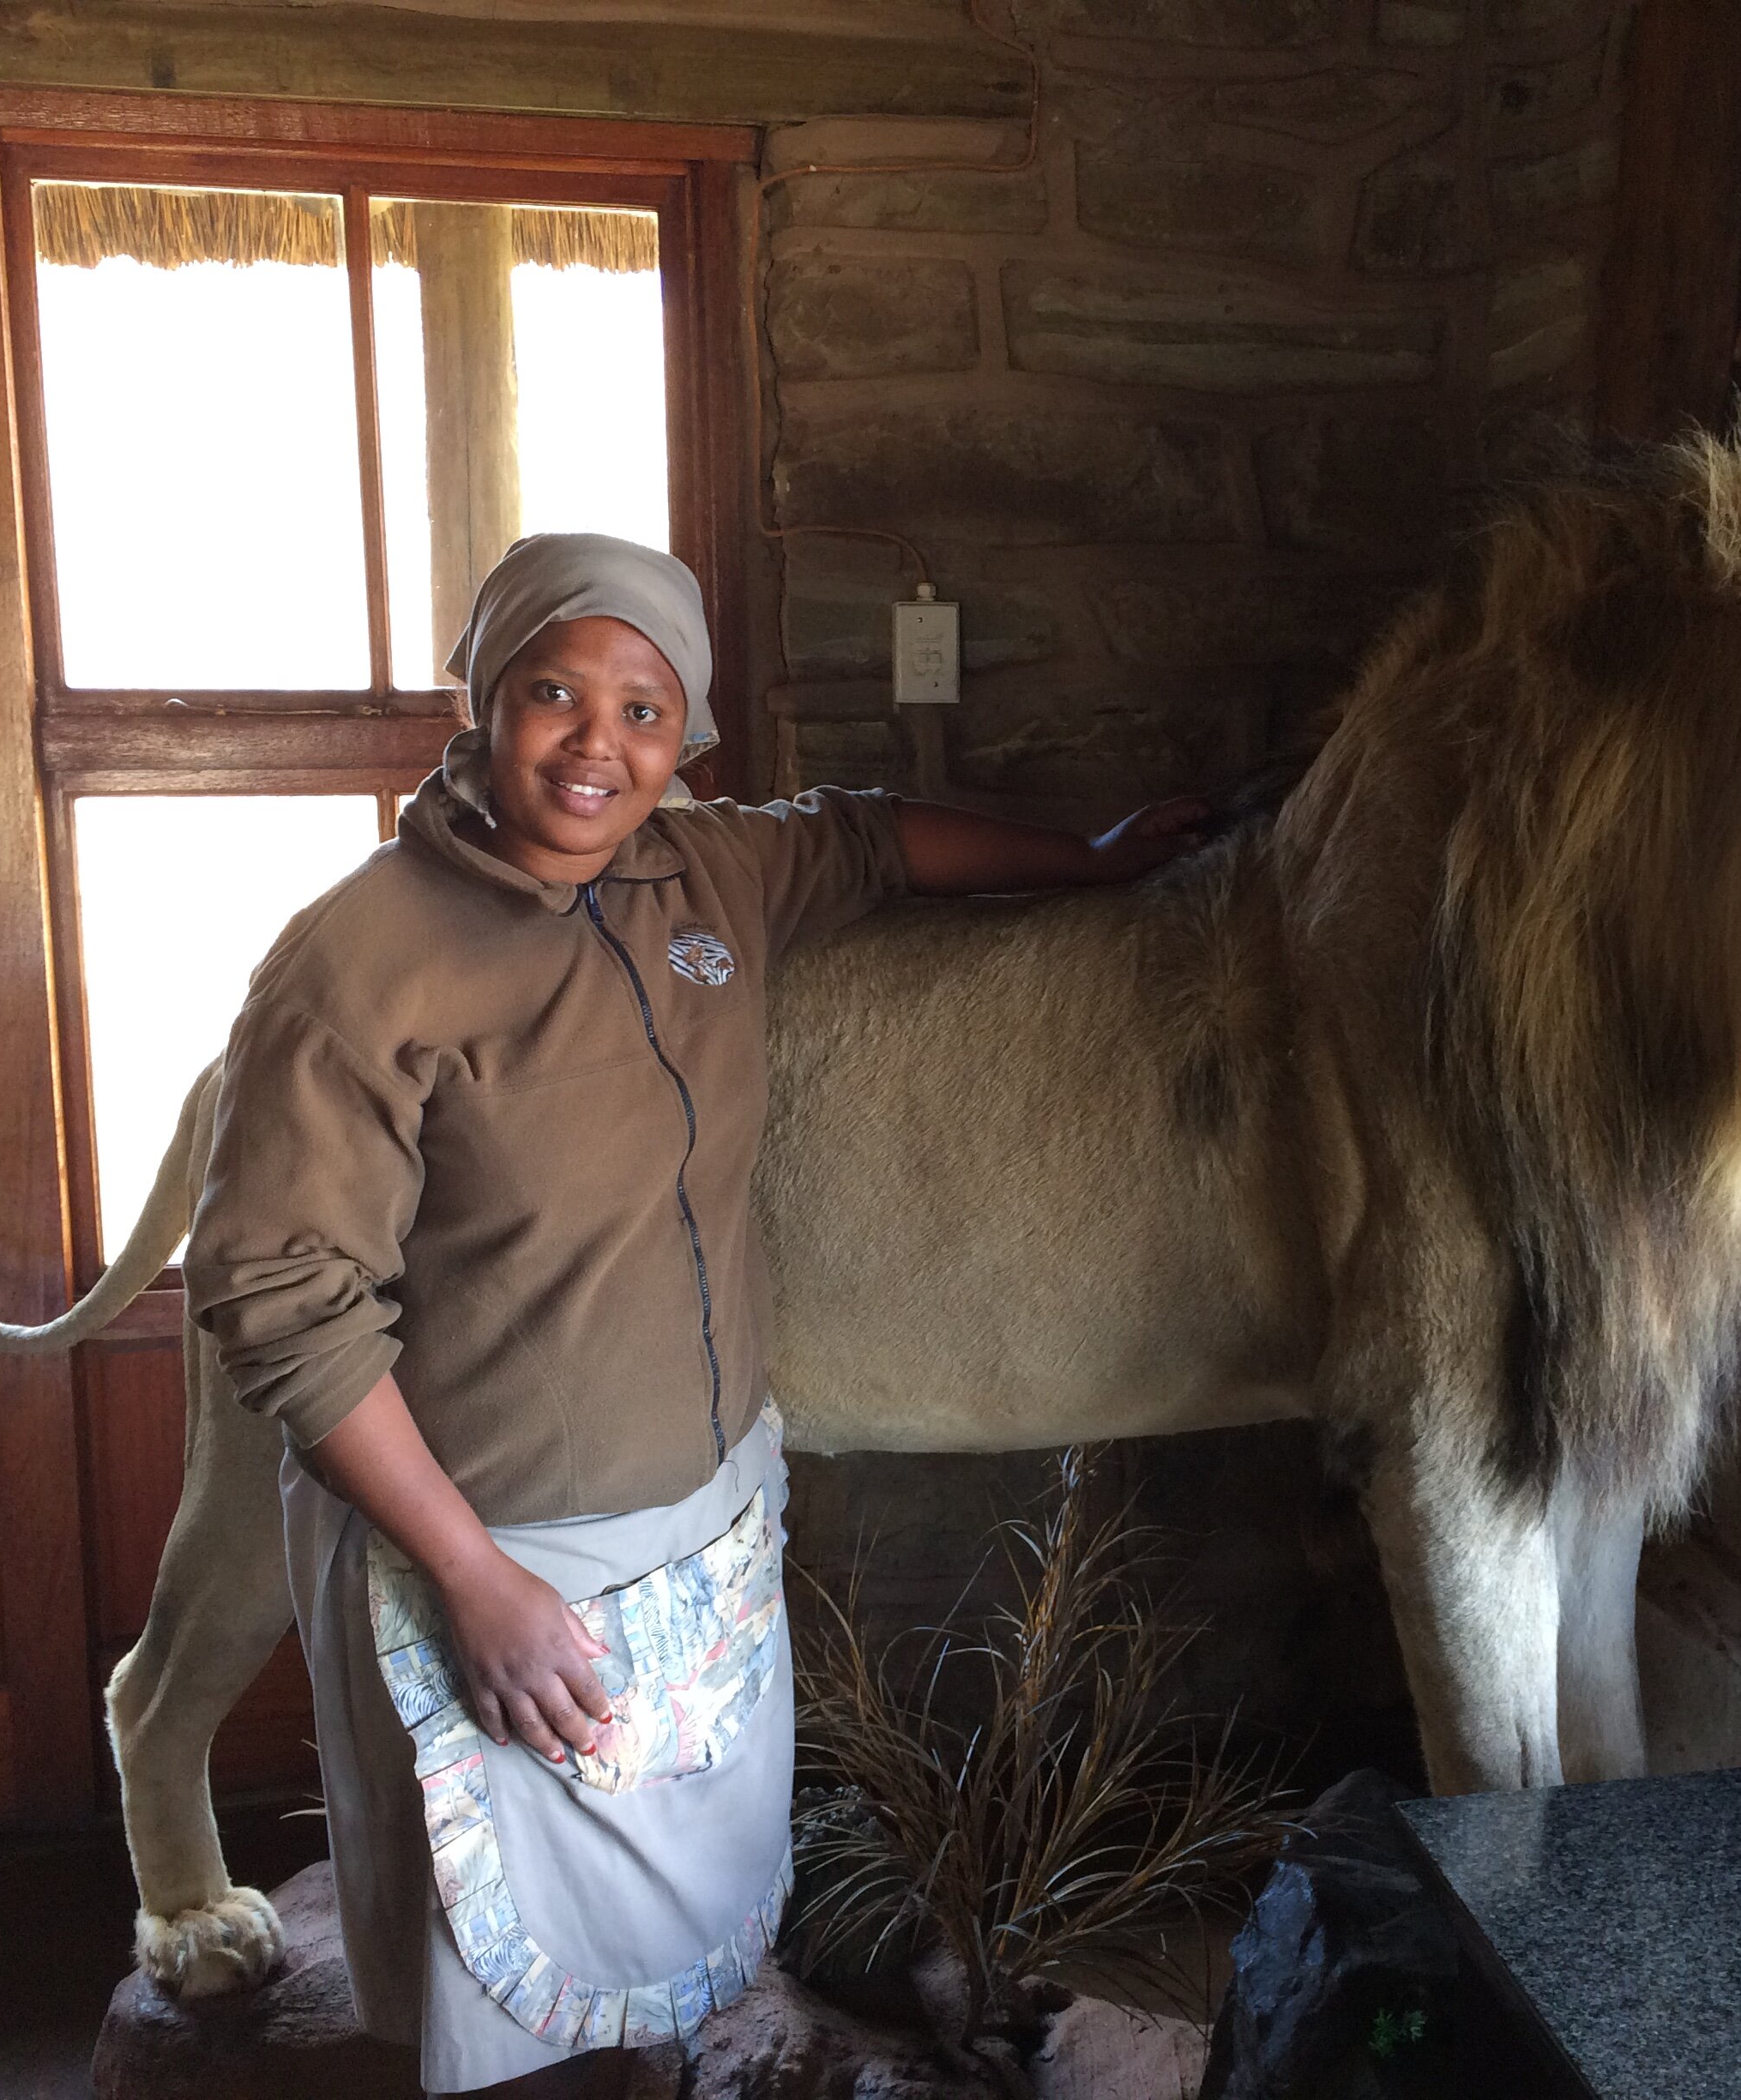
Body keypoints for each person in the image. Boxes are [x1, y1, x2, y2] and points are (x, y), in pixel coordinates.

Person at [184, 534, 1202, 2097]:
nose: (599, 744)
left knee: (664, 1972)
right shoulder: (361, 959)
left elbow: (867, 843)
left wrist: (1100, 854)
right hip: (502, 1556)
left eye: (645, 709)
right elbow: (277, 1300)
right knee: (510, 1999)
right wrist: (475, 1580)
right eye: (554, 693)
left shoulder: (707, 870)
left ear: (689, 734)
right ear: (483, 700)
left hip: (703, 1539)